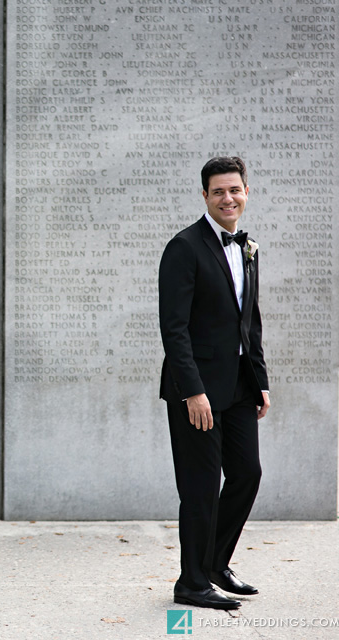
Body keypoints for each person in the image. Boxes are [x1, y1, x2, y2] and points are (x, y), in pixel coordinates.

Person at [159, 157, 270, 610]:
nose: (228, 198)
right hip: (197, 390)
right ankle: (190, 582)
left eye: (235, 190)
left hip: (240, 385)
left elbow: (250, 321)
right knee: (201, 486)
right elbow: (174, 328)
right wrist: (193, 391)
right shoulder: (184, 248)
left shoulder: (249, 248)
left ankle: (214, 563)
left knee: (247, 474)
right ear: (204, 195)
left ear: (246, 193)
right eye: (219, 191)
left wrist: (259, 379)